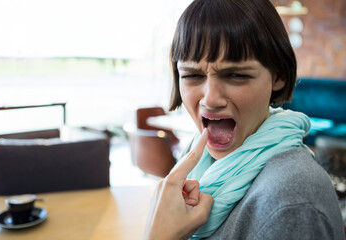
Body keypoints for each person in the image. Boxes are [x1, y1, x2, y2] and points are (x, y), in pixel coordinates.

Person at [144, 0, 345, 239]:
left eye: (236, 75)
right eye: (192, 75)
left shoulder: (291, 200)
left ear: (278, 77)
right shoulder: (197, 165)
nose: (211, 99)